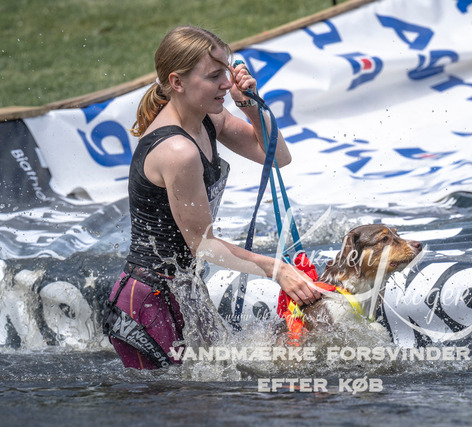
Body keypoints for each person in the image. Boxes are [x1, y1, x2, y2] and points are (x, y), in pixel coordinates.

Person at [102, 25, 320, 370]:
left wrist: (248, 103)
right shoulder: (177, 150)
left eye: (227, 72)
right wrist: (276, 269)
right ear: (177, 82)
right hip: (145, 301)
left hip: (184, 289)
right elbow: (203, 245)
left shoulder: (209, 120)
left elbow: (278, 157)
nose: (226, 83)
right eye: (214, 76)